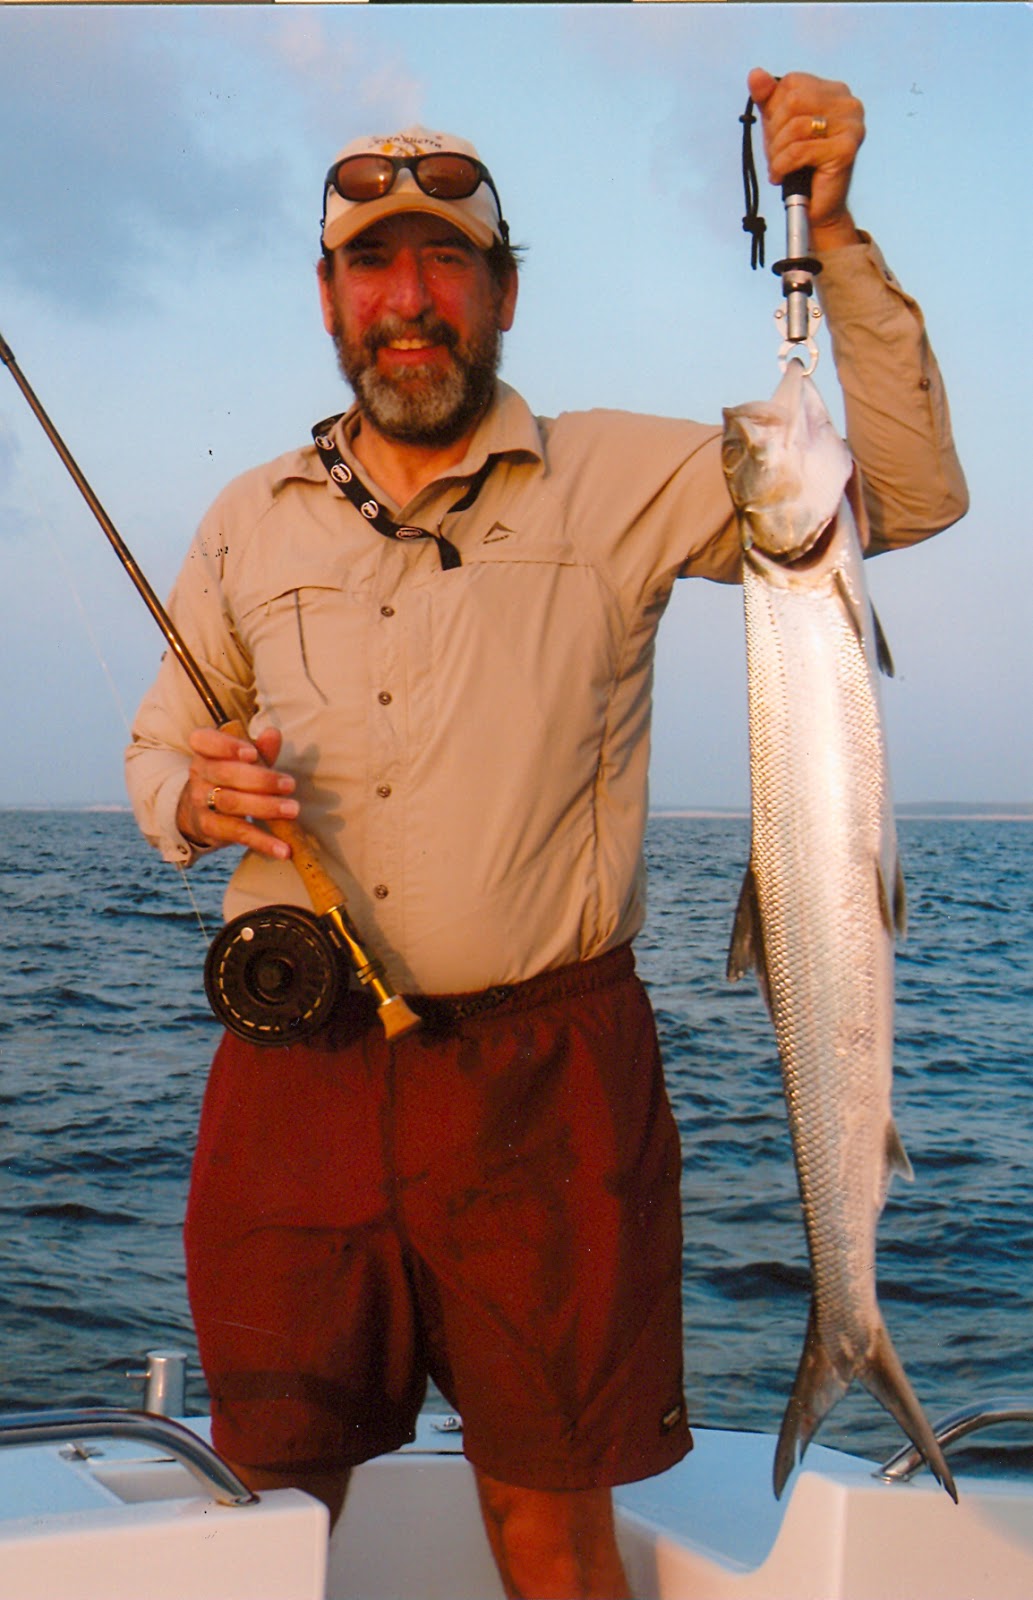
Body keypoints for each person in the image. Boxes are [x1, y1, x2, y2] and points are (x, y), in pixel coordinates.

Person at [126, 68, 968, 1600]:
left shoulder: (630, 471)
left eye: (446, 261)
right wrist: (191, 793)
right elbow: (152, 743)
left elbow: (900, 492)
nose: (410, 297)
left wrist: (831, 234)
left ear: (503, 292)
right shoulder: (246, 516)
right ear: (327, 297)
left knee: (549, 1515)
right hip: (292, 1083)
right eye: (374, 263)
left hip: (550, 1087)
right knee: (269, 1503)